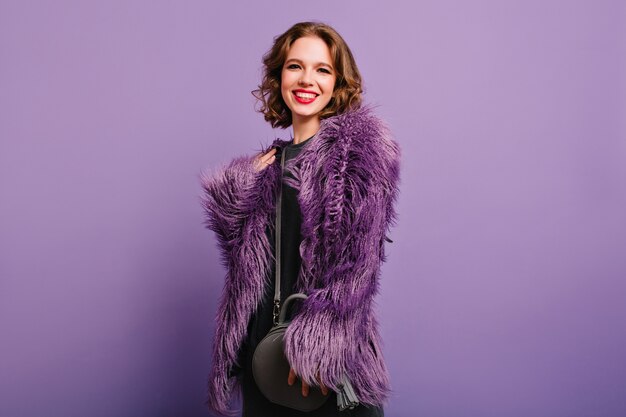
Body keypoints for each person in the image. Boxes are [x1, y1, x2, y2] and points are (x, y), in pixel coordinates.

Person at [200, 21, 401, 416]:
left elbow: (356, 268)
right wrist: (238, 193)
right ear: (279, 77)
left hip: (323, 363)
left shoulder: (355, 156)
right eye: (295, 66)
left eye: (322, 69)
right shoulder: (265, 167)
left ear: (338, 83)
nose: (307, 79)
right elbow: (246, 267)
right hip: (267, 359)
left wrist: (320, 345)